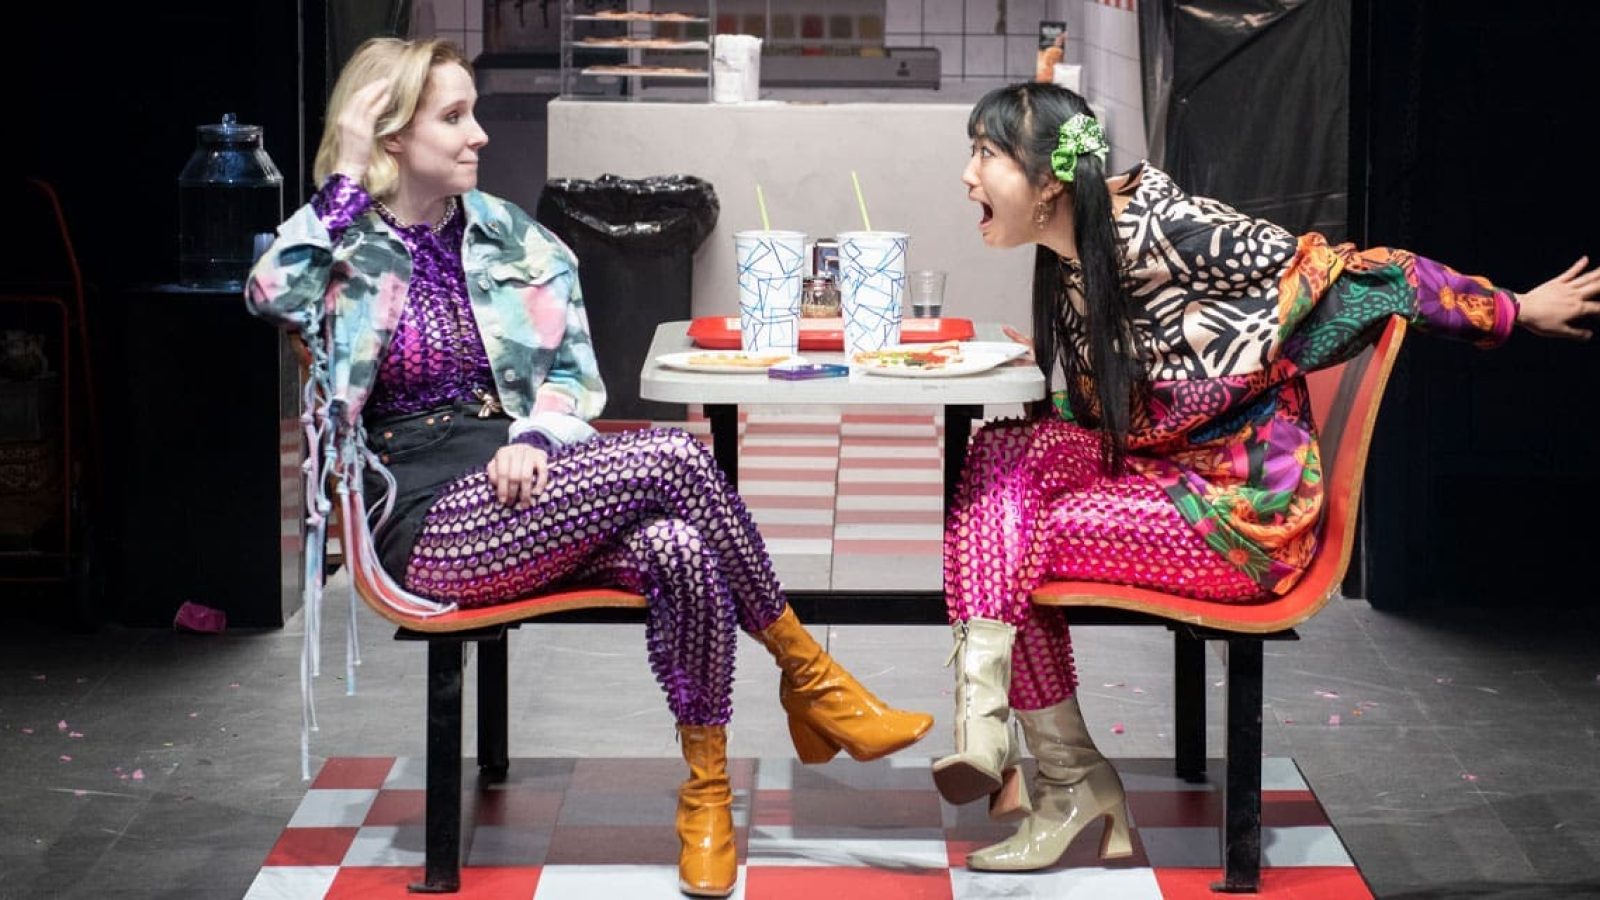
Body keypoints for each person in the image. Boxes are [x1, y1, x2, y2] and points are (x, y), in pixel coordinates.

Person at [246, 37, 933, 898]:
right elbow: (270, 296)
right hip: (423, 519)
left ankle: (707, 794)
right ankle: (810, 678)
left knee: (683, 545)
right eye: (453, 117)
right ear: (389, 137)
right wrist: (344, 174)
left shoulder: (514, 238)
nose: (480, 136)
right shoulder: (344, 246)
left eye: (474, 114)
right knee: (680, 452)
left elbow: (574, 377)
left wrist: (534, 438)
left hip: (534, 492)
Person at [934, 81, 1600, 872]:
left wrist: (1513, 309)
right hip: (1168, 480)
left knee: (1013, 537)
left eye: (985, 154)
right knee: (1000, 464)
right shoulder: (1075, 259)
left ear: (1049, 181)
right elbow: (1119, 404)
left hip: (1241, 517)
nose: (968, 176)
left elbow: (1371, 277)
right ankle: (1000, 737)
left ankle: (1047, 769)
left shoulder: (1173, 231)